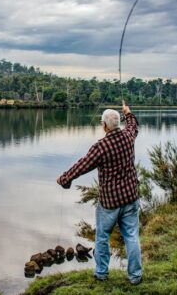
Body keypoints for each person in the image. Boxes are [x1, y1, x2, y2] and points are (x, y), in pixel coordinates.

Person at [56, 101, 142, 285]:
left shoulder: (101, 147)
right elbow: (133, 126)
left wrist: (65, 179)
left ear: (104, 125)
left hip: (110, 203)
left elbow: (82, 165)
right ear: (117, 124)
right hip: (130, 198)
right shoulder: (128, 136)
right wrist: (128, 112)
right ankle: (135, 276)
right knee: (132, 237)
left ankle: (102, 273)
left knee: (102, 237)